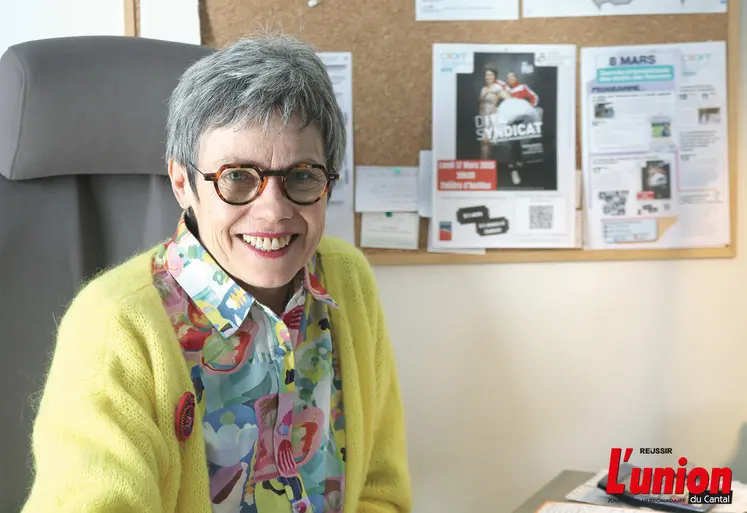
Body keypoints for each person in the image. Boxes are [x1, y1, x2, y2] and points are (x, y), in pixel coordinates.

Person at [22, 34, 412, 513]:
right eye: (237, 177)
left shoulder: (347, 280)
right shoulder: (114, 327)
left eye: (302, 175)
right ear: (183, 182)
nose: (273, 211)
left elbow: (381, 489)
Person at [478, 65, 510, 159]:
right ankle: (485, 166)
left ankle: (511, 167)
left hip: (493, 118)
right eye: (487, 75)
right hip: (484, 118)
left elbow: (508, 99)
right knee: (484, 143)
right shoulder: (483, 89)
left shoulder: (497, 87)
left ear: (494, 76)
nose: (488, 77)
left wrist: (498, 109)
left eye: (491, 75)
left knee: (489, 142)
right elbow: (481, 104)